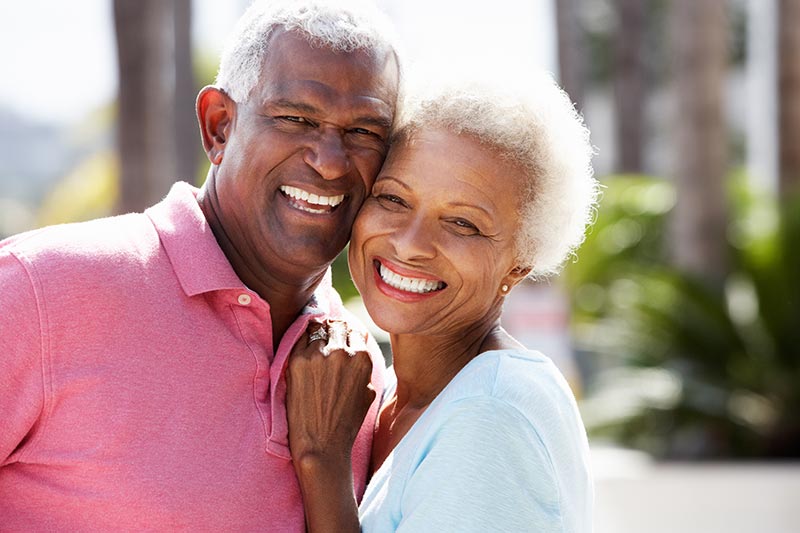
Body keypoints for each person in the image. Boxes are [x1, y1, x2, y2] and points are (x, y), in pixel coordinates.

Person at [0, 0, 400, 529]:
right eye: (296, 118)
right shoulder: (41, 291)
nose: (329, 161)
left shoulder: (360, 369)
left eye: (364, 132)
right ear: (218, 126)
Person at [286, 70, 599, 532]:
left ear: (520, 264)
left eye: (462, 225)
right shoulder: (399, 392)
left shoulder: (489, 416)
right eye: (392, 199)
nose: (411, 244)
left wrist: (322, 463)